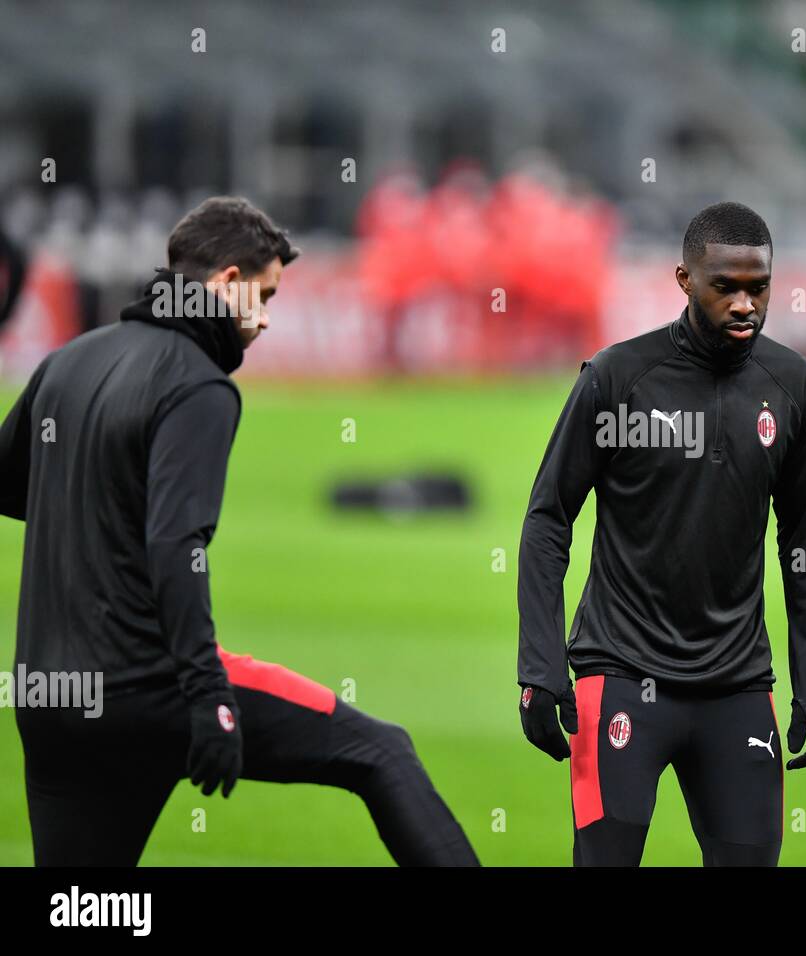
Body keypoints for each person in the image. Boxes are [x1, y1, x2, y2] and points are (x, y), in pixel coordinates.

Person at [0, 196, 477, 866]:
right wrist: (208, 697)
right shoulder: (198, 385)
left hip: (50, 700)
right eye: (266, 295)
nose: (267, 321)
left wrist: (91, 512)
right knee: (381, 752)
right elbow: (177, 546)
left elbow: (13, 488)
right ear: (226, 284)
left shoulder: (65, 363)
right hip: (149, 687)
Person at [517, 201, 806, 866]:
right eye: (726, 286)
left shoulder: (795, 387)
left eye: (759, 287)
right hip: (621, 675)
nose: (745, 304)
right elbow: (550, 517)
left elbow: (805, 544)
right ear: (685, 280)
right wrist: (541, 669)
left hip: (739, 689)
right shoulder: (617, 378)